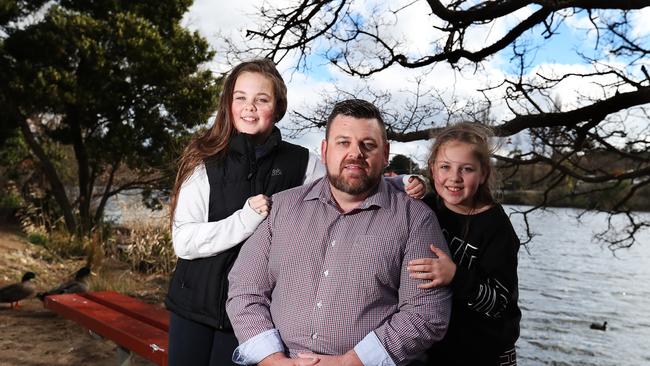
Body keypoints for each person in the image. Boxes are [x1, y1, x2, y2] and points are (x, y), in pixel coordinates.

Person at [165, 60, 426, 365]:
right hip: (194, 307)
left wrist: (401, 183)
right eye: (241, 97)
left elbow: (348, 179)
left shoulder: (302, 161)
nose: (249, 107)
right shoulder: (204, 161)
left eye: (261, 99)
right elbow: (183, 242)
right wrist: (244, 221)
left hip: (254, 317)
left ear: (277, 108)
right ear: (228, 103)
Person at [226, 99, 453, 366]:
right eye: (343, 142)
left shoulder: (416, 220)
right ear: (324, 150)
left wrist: (350, 362)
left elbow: (425, 313)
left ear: (385, 154)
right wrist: (273, 360)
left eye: (368, 145)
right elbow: (245, 290)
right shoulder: (280, 208)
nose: (355, 153)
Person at [407, 122, 521, 365]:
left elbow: (498, 303)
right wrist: (409, 182)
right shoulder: (426, 207)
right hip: (437, 350)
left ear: (483, 174)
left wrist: (455, 276)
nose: (454, 178)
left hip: (486, 353)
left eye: (466, 169)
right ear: (432, 169)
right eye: (445, 167)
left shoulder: (497, 229)